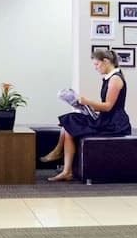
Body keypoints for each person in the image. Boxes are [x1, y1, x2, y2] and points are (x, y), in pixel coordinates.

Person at [41, 48, 131, 181]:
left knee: (69, 122)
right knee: (68, 123)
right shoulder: (110, 78)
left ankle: (61, 159)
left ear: (106, 61)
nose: (95, 68)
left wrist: (87, 101)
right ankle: (64, 165)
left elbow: (108, 106)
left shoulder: (115, 79)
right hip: (106, 119)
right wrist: (84, 106)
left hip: (114, 124)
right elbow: (106, 107)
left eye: (97, 64)